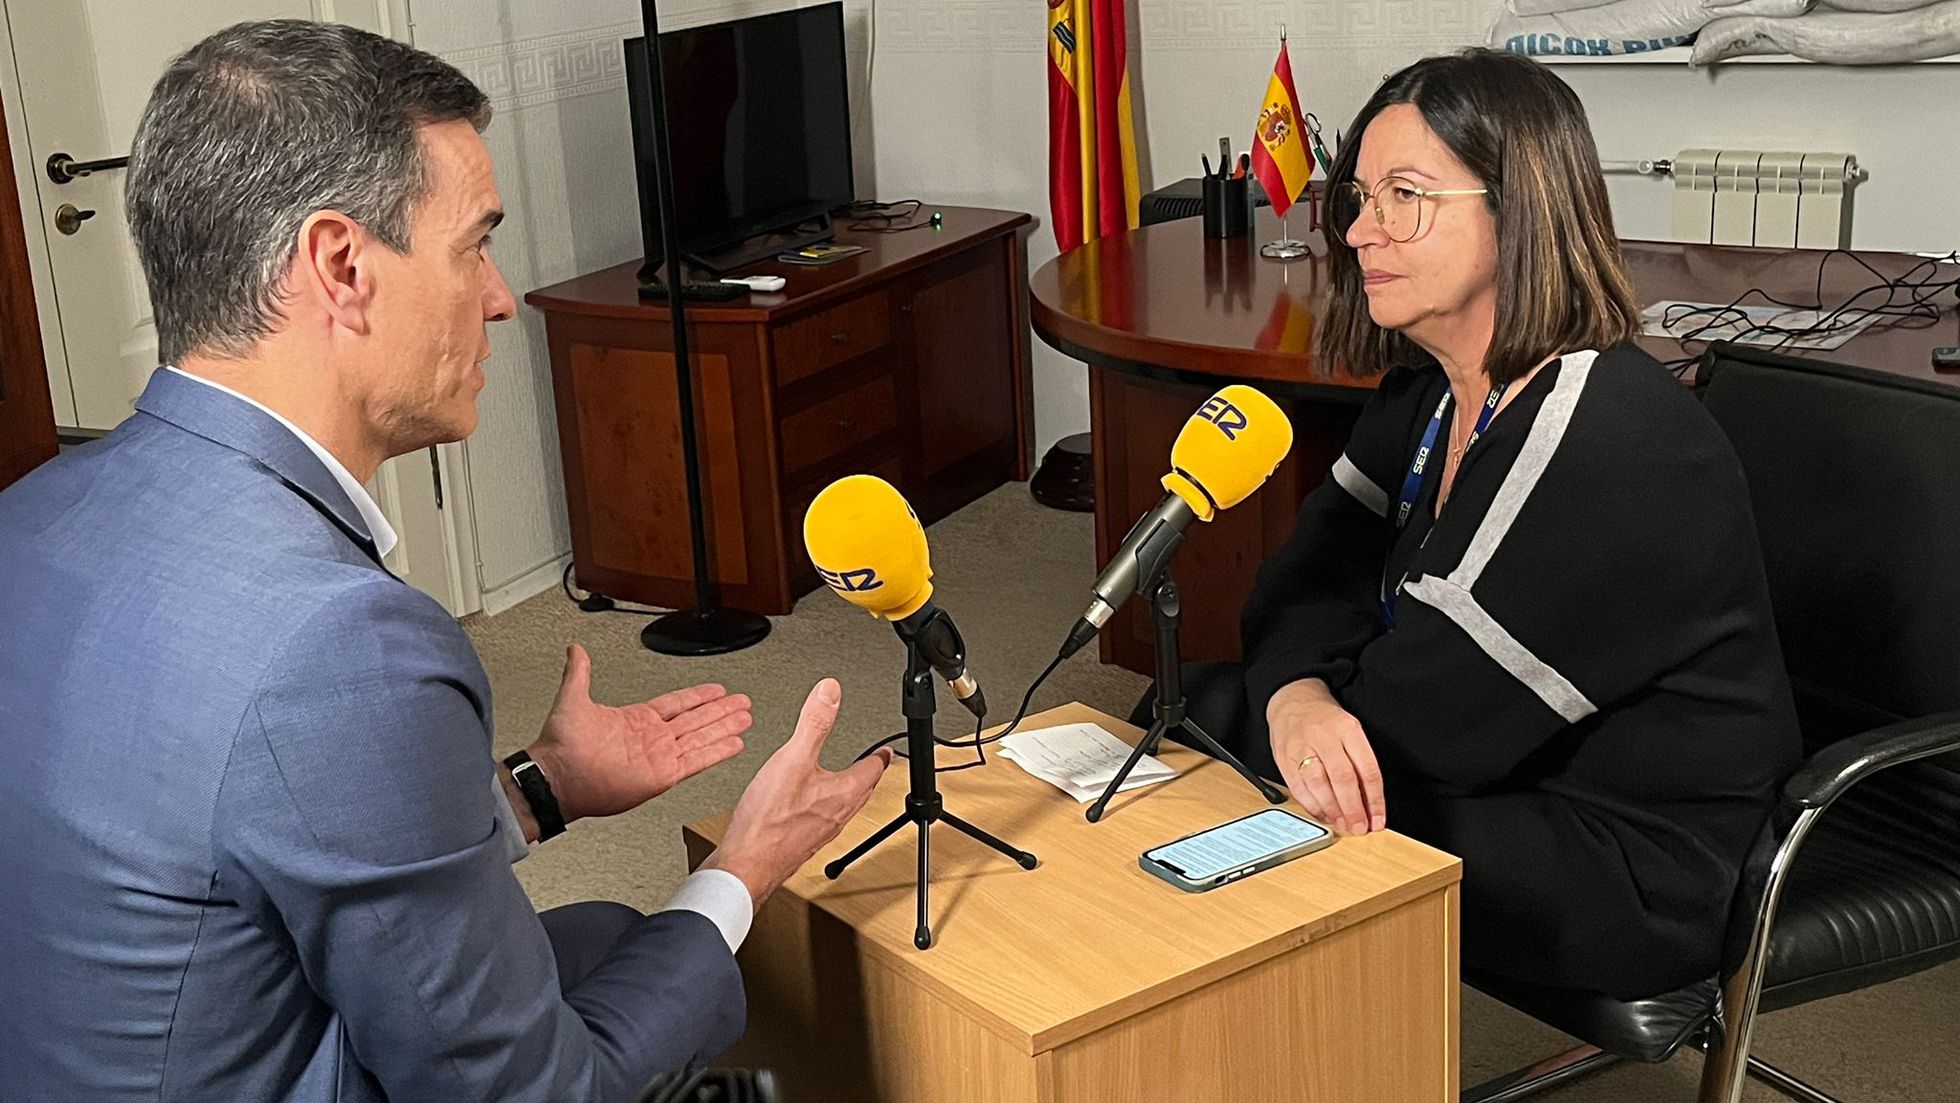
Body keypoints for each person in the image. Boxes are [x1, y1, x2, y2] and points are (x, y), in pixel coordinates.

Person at [0, 20, 888, 1101]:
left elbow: (230, 834)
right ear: (341, 266)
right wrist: (746, 865)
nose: (503, 295)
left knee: (610, 932)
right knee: (682, 964)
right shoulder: (339, 645)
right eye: (475, 243)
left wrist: (539, 787)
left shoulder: (33, 512)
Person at [1187, 50, 1800, 1000]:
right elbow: (1298, 585)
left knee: (1264, 825)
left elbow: (1421, 725)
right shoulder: (1426, 394)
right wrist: (1299, 697)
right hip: (1497, 769)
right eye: (1359, 196)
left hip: (1635, 857)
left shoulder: (1610, 440)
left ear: (1520, 207)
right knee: (1205, 715)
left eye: (1404, 194)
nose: (1358, 230)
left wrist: (1299, 699)